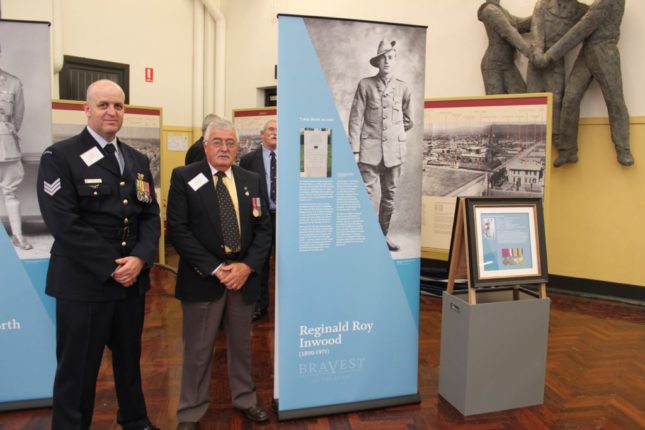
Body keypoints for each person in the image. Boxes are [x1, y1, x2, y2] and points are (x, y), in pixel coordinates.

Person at [36, 79, 160, 429]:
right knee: (77, 370)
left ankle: (136, 421)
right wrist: (110, 266)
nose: (112, 112)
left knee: (129, 363)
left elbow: (150, 215)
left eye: (118, 106)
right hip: (84, 284)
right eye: (103, 105)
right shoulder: (59, 157)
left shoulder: (136, 159)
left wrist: (140, 259)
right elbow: (63, 222)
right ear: (86, 110)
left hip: (130, 282)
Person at [167, 117, 272, 428]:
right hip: (203, 278)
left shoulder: (251, 179)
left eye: (230, 143)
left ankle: (245, 399)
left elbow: (264, 229)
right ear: (205, 145)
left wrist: (247, 266)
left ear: (238, 148)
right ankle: (190, 411)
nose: (224, 148)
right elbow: (178, 230)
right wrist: (216, 268)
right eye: (218, 142)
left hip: (243, 278)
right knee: (198, 350)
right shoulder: (184, 177)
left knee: (242, 346)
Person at [533, 0, 633, 167]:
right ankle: (568, 150)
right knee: (570, 98)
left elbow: (579, 31)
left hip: (604, 51)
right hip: (587, 51)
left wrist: (549, 56)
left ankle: (624, 149)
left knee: (615, 101)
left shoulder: (609, 2)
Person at [348, 39, 413, 251]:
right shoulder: (365, 85)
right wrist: (355, 149)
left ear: (395, 60)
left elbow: (408, 120)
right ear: (377, 62)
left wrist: (394, 134)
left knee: (389, 196)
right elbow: (356, 118)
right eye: (383, 58)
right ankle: (365, 238)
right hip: (369, 151)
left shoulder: (403, 88)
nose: (387, 61)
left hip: (394, 152)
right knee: (364, 195)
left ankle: (382, 237)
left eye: (390, 57)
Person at [527, 0, 588, 148]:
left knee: (556, 99)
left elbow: (586, 27)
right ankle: (532, 137)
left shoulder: (581, 10)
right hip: (537, 59)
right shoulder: (543, 4)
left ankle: (555, 134)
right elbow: (536, 29)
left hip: (556, 59)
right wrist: (538, 54)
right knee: (533, 99)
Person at [239, 119, 277, 321]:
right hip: (259, 217)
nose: (275, 133)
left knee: (286, 263)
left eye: (279, 130)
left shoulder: (291, 158)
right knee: (260, 262)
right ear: (262, 134)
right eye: (271, 129)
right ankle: (259, 304)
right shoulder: (248, 160)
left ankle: (289, 304)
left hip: (285, 219)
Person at [0, 43, 32, 250]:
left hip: (5, 144)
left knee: (10, 190)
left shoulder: (12, 83)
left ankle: (18, 236)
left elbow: (17, 117)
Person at [477, 0, 532, 94]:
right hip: (494, 67)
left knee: (522, 100)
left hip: (507, 64)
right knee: (496, 106)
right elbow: (508, 33)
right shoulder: (490, 10)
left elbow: (521, 24)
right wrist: (531, 53)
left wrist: (542, 13)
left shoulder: (501, 11)